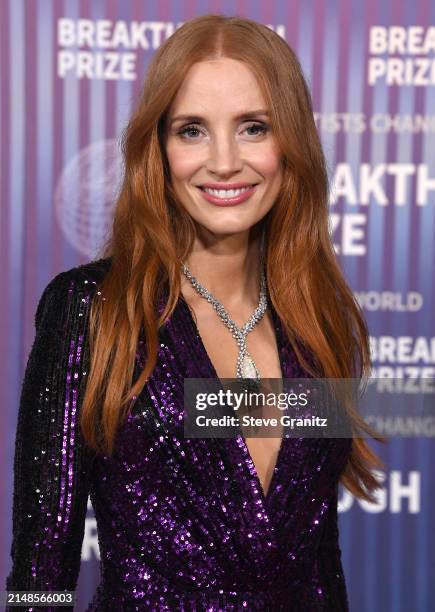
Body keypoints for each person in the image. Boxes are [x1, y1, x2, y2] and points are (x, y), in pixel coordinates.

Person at [6, 14, 385, 612]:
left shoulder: (318, 322)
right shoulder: (94, 310)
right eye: (192, 131)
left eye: (253, 127)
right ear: (157, 147)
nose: (225, 161)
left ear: (292, 143)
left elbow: (318, 558)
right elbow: (41, 568)